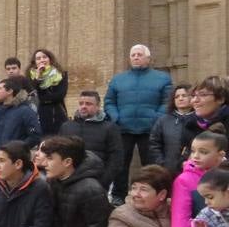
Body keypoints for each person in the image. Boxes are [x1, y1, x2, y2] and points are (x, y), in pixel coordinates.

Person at [104, 44, 173, 204]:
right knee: (120, 165)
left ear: (148, 58)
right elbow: (109, 101)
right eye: (133, 55)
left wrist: (156, 118)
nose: (135, 57)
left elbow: (167, 101)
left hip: (150, 129)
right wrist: (116, 117)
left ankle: (153, 196)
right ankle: (118, 196)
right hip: (123, 128)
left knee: (150, 167)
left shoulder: (162, 78)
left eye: (139, 54)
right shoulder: (118, 79)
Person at [171, 130, 227, 227]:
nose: (195, 156)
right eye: (193, 150)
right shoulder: (184, 180)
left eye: (203, 152)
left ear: (220, 155)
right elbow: (180, 217)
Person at [58, 90, 122, 190]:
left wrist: (104, 181)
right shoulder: (66, 126)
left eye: (88, 104)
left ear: (98, 106)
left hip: (97, 180)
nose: (83, 106)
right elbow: (58, 152)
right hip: (68, 180)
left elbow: (116, 158)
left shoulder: (110, 128)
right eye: (81, 103)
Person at [0, 76, 41, 150]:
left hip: (15, 158)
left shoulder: (25, 111)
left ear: (10, 91)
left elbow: (35, 136)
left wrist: (17, 149)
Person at [148, 84, 193, 176]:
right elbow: (154, 144)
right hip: (168, 170)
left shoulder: (200, 120)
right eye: (177, 96)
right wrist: (161, 163)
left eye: (184, 96)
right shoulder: (163, 120)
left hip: (193, 170)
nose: (180, 99)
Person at [28, 49, 69, 137]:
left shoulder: (61, 74)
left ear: (50, 59)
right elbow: (34, 92)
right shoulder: (31, 76)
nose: (42, 60)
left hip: (57, 111)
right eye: (38, 58)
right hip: (40, 113)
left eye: (44, 57)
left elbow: (60, 95)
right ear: (35, 62)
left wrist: (44, 97)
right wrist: (39, 77)